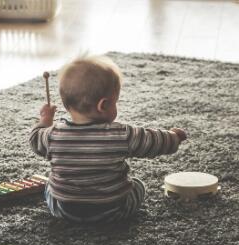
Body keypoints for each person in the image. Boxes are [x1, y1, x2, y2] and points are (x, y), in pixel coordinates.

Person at [29, 55, 187, 223]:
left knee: (48, 185)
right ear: (103, 106)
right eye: (115, 102)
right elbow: (153, 141)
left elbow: (35, 139)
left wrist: (45, 119)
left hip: (64, 210)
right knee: (138, 185)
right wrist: (174, 137)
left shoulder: (52, 135)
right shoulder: (122, 134)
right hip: (113, 210)